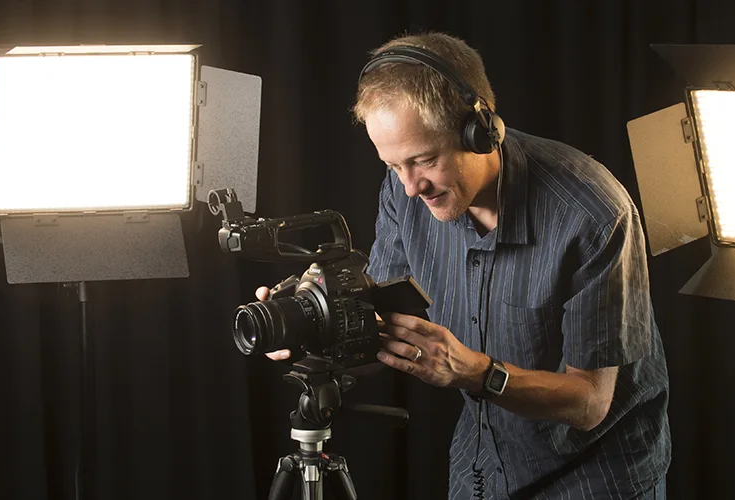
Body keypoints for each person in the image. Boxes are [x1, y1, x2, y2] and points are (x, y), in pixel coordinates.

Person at [259, 32, 671, 500]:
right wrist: (311, 325)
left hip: (599, 476)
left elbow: (590, 402)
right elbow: (382, 324)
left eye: (424, 160)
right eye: (395, 166)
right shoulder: (404, 190)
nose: (411, 187)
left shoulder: (593, 213)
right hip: (483, 463)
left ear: (480, 130)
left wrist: (474, 373)